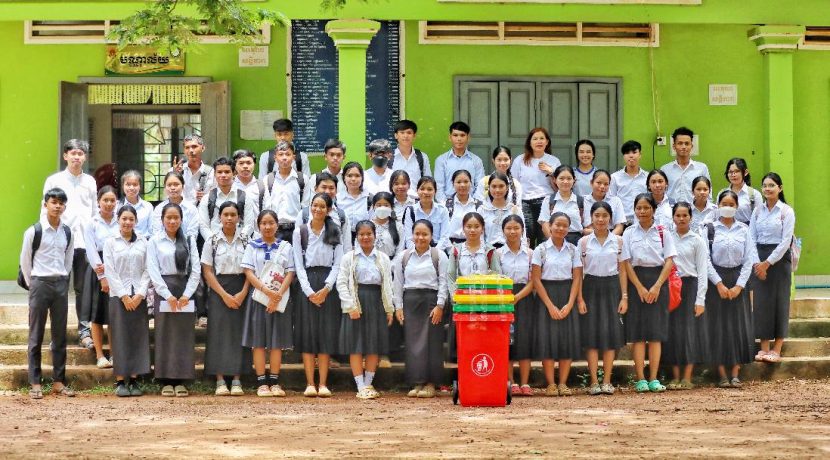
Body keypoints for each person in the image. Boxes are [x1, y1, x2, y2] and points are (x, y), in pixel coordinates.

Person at [41, 139, 97, 350]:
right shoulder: (54, 181)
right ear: (65, 156)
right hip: (59, 243)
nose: (76, 157)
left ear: (85, 157)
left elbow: (94, 214)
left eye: (80, 153)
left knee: (83, 289)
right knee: (59, 288)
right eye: (73, 153)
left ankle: (84, 331)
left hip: (83, 242)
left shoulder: (90, 182)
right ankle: (58, 334)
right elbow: (43, 211)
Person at [20, 188, 75, 399]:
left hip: (60, 283)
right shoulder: (33, 231)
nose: (57, 205)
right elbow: (25, 261)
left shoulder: (68, 232)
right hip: (39, 284)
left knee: (60, 336)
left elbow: (68, 260)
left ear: (64, 206)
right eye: (54, 201)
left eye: (61, 202)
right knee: (36, 335)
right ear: (45, 204)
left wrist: (63, 278)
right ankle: (35, 382)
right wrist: (32, 283)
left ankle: (59, 382)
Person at [621, 193, 677, 393]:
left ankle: (653, 378)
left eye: (646, 208)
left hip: (658, 282)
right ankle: (641, 379)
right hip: (637, 282)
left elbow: (669, 260)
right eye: (639, 208)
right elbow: (626, 262)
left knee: (655, 334)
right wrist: (639, 288)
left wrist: (655, 287)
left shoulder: (663, 231)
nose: (642, 212)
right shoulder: (628, 233)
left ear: (653, 209)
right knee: (637, 335)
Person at [146, 203, 201, 397]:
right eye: (168, 218)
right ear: (162, 220)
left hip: (185, 291)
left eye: (176, 218)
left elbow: (196, 270)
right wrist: (167, 295)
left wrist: (187, 294)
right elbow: (153, 270)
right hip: (164, 291)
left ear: (181, 220)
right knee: (164, 335)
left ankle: (181, 379)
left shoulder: (189, 240)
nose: (172, 221)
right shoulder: (154, 241)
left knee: (183, 336)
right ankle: (165, 379)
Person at [292, 193, 344, 398]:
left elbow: (338, 262)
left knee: (325, 334)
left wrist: (327, 287)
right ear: (310, 207)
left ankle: (323, 383)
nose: (318, 209)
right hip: (306, 284)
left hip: (327, 285)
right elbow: (298, 262)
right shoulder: (301, 231)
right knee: (307, 335)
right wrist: (308, 291)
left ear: (329, 209)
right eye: (315, 205)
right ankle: (309, 383)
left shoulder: (334, 230)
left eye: (323, 206)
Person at [705, 190, 758, 387]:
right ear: (718, 205)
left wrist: (739, 286)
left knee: (737, 326)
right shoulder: (709, 229)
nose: (727, 207)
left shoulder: (744, 230)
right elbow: (706, 259)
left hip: (738, 280)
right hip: (715, 281)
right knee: (718, 327)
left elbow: (749, 259)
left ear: (736, 207)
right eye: (724, 203)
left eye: (731, 204)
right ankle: (721, 374)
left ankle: (735, 373)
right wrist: (718, 283)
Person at [337, 221, 395, 399]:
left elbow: (388, 285)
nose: (365, 237)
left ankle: (369, 384)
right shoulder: (349, 257)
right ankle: (360, 386)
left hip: (376, 301)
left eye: (369, 233)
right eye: (361, 234)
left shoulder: (383, 258)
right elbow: (341, 282)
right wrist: (350, 306)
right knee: (356, 345)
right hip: (356, 302)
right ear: (357, 237)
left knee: (373, 345)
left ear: (374, 235)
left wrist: (389, 308)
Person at [242, 210, 296, 397]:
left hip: (279, 300)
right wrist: (266, 292)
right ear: (258, 225)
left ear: (277, 225)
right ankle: (261, 382)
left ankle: (274, 381)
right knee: (258, 342)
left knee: (276, 342)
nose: (267, 226)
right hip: (258, 298)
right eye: (264, 223)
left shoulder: (286, 247)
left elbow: (290, 272)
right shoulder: (252, 246)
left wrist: (277, 295)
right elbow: (248, 272)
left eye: (271, 223)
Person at [201, 201, 252, 396]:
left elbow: (251, 269)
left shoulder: (247, 240)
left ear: (239, 217)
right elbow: (207, 270)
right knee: (218, 333)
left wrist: (243, 293)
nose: (229, 218)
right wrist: (223, 294)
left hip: (242, 289)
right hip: (218, 290)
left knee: (240, 332)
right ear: (219, 217)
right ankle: (220, 379)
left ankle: (237, 378)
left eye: (233, 214)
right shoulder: (212, 240)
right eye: (225, 214)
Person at [393, 220, 448, 398]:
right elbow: (398, 283)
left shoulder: (438, 255)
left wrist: (440, 305)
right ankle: (417, 382)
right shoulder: (404, 256)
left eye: (425, 234)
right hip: (410, 301)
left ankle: (431, 383)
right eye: (417, 233)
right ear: (412, 235)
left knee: (432, 343)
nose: (421, 237)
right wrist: (398, 307)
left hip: (431, 302)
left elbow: (444, 282)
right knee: (413, 343)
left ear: (431, 236)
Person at [577, 201, 626, 396]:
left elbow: (622, 271)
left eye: (604, 216)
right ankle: (594, 381)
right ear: (591, 218)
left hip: (612, 288)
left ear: (610, 219)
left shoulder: (619, 241)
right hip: (590, 288)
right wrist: (580, 298)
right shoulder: (583, 242)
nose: (600, 219)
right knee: (591, 336)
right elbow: (579, 273)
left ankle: (607, 380)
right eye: (597, 215)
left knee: (610, 335)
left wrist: (624, 297)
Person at [532, 212, 582, 397]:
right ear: (550, 226)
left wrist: (570, 304)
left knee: (566, 340)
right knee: (548, 340)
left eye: (564, 226)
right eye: (557, 225)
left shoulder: (572, 250)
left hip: (567, 293)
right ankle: (551, 384)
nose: (560, 229)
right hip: (547, 296)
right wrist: (550, 306)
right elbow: (536, 280)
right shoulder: (541, 250)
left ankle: (563, 383)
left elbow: (577, 278)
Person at [104, 204, 150, 397]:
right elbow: (110, 271)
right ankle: (121, 380)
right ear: (118, 220)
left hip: (139, 297)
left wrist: (139, 294)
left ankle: (135, 379)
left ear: (136, 222)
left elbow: (149, 269)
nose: (128, 222)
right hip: (118, 297)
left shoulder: (144, 242)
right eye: (124, 219)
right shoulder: (110, 242)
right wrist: (124, 296)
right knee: (120, 336)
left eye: (131, 219)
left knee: (138, 337)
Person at [447, 212, 500, 378]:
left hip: (485, 305)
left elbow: (497, 275)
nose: (472, 230)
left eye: (476, 226)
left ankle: (484, 375)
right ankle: (465, 376)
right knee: (465, 343)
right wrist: (456, 298)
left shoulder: (490, 251)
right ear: (463, 229)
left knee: (484, 342)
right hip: (463, 305)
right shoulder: (456, 250)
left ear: (483, 228)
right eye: (469, 226)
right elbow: (450, 276)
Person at [750, 172, 795, 363]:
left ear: (780, 188)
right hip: (759, 260)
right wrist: (757, 263)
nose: (767, 189)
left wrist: (768, 263)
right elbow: (750, 237)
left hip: (778, 261)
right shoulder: (758, 211)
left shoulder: (786, 211)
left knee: (780, 302)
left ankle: (776, 349)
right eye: (765, 185)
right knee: (761, 304)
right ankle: (764, 348)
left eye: (772, 185)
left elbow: (786, 241)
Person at [664, 202, 709, 390]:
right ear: (673, 218)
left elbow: (703, 270)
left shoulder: (697, 240)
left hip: (690, 286)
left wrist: (700, 299)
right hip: (672, 287)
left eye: (685, 215)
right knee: (672, 331)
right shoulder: (667, 238)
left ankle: (687, 377)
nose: (681, 219)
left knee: (690, 332)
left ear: (690, 217)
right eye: (678, 215)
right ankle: (675, 377)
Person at [494, 215, 535, 396]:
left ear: (522, 230)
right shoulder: (497, 254)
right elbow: (495, 278)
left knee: (525, 339)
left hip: (525, 299)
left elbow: (534, 280)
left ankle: (525, 383)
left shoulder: (530, 253)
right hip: (503, 298)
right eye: (509, 228)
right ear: (503, 231)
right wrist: (507, 297)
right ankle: (510, 381)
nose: (512, 231)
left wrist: (517, 296)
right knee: (506, 341)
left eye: (516, 228)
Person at [81, 186, 120, 369]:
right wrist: (102, 275)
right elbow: (90, 250)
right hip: (98, 271)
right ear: (98, 201)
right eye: (105, 200)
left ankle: (114, 354)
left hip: (117, 270)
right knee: (97, 315)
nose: (109, 204)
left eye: (112, 200)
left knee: (113, 315)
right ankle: (99, 355)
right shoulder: (92, 223)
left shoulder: (120, 221)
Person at [511, 128, 560, 247]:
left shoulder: (553, 161)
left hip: (546, 202)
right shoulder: (520, 160)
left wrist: (551, 172)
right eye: (535, 139)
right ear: (530, 142)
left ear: (547, 142)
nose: (539, 141)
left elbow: (560, 187)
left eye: (542, 138)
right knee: (527, 237)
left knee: (545, 237)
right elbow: (513, 184)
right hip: (525, 203)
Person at [198, 156, 256, 241]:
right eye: (219, 172)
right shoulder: (207, 199)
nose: (223, 175)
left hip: (239, 246)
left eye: (227, 172)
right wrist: (214, 242)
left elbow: (249, 225)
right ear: (215, 174)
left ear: (234, 173)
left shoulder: (244, 197)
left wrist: (238, 241)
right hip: (214, 246)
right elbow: (203, 226)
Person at [263, 140, 309, 242]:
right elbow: (266, 206)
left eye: (288, 154)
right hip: (274, 229)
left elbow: (305, 206)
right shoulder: (269, 179)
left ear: (293, 157)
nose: (284, 158)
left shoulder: (302, 179)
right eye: (281, 154)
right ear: (275, 158)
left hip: (296, 229)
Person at [297, 172, 353, 250]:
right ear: (315, 189)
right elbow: (298, 244)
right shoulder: (304, 214)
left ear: (336, 191)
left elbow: (347, 246)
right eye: (324, 187)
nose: (327, 191)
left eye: (331, 188)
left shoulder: (342, 216)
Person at [433, 121, 484, 201]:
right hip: (448, 206)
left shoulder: (476, 160)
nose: (459, 139)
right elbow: (438, 186)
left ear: (468, 137)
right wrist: (446, 205)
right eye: (455, 135)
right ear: (450, 137)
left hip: (471, 206)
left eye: (462, 135)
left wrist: (474, 204)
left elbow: (480, 186)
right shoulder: (441, 160)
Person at [661, 127, 709, 204]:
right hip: (671, 212)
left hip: (694, 212)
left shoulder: (702, 168)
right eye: (680, 143)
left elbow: (708, 194)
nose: (683, 147)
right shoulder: (665, 169)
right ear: (674, 146)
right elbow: (661, 193)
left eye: (687, 143)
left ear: (691, 146)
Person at [401, 176, 451, 251]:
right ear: (417, 190)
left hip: (438, 252)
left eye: (429, 189)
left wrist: (434, 254)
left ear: (435, 191)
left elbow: (444, 238)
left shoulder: (442, 210)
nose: (426, 192)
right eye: (422, 189)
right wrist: (418, 254)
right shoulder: (410, 211)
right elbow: (409, 239)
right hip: (415, 252)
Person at [539, 165, 584, 245]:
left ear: (574, 180)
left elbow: (586, 225)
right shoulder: (549, 200)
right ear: (555, 180)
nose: (565, 182)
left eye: (569, 178)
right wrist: (555, 244)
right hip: (553, 240)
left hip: (576, 242)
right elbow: (545, 225)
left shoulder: (581, 201)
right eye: (561, 178)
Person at [479, 172, 525, 248]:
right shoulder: (482, 210)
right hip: (489, 252)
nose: (497, 190)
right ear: (489, 188)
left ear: (507, 188)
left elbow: (523, 235)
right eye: (494, 186)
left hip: (510, 252)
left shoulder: (515, 210)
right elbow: (479, 236)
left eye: (501, 186)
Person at [609, 140, 648, 225]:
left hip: (643, 222)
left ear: (640, 155)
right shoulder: (615, 178)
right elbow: (612, 201)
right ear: (623, 156)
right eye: (627, 153)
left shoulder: (647, 177)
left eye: (634, 152)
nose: (631, 155)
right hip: (622, 223)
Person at [152, 171, 200, 239]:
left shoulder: (191, 209)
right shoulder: (159, 209)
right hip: (162, 246)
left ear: (183, 186)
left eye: (176, 184)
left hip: (185, 247)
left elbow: (192, 234)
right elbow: (157, 232)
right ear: (165, 187)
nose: (172, 188)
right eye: (169, 185)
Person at [390, 120, 431, 198]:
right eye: (402, 133)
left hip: (417, 202)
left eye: (409, 133)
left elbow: (428, 182)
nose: (405, 136)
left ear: (414, 136)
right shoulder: (389, 157)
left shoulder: (422, 157)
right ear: (396, 135)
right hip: (395, 201)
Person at [172, 134, 214, 205]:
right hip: (181, 213)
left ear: (203, 148)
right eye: (187, 147)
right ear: (184, 150)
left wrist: (206, 199)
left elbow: (216, 198)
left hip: (202, 213)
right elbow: (168, 198)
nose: (191, 150)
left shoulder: (212, 173)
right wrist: (174, 176)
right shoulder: (174, 172)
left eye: (194, 146)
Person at [582, 169, 626, 236]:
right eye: (599, 183)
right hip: (589, 237)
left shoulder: (616, 201)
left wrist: (609, 238)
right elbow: (586, 227)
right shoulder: (583, 200)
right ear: (591, 182)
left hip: (612, 236)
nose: (602, 187)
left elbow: (619, 227)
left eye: (606, 184)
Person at [445, 170, 482, 245]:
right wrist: (451, 249)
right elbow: (443, 232)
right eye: (458, 182)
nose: (462, 185)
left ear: (471, 183)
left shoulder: (479, 206)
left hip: (474, 245)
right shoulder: (445, 205)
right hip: (451, 245)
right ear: (453, 184)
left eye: (466, 182)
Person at [722, 157, 763, 225]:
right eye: (730, 172)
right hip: (726, 232)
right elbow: (717, 216)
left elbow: (760, 219)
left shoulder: (754, 194)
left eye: (737, 171)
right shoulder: (722, 193)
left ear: (745, 172)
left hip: (747, 233)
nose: (733, 175)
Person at [337, 161, 373, 234]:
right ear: (344, 178)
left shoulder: (370, 199)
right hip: (342, 238)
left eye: (357, 175)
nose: (353, 179)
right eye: (349, 176)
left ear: (362, 178)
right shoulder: (337, 199)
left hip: (364, 238)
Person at [117, 170, 153, 239]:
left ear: (140, 186)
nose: (131, 188)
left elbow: (151, 231)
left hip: (143, 245)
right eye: (128, 184)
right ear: (122, 186)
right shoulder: (117, 206)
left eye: (135, 184)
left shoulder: (148, 207)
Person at [231, 149, 266, 217]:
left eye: (249, 163)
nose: (245, 166)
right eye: (241, 163)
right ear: (235, 165)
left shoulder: (262, 186)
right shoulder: (229, 186)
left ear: (254, 165)